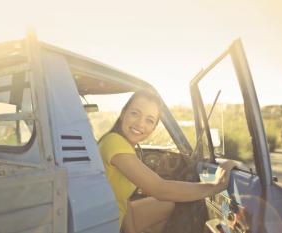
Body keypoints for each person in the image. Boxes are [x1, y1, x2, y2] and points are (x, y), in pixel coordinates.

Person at [98, 89, 237, 233]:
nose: (140, 124)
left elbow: (122, 200)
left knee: (167, 204)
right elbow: (159, 189)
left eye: (149, 120)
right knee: (166, 199)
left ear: (153, 128)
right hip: (104, 225)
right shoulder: (115, 143)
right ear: (123, 113)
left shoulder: (120, 144)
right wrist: (214, 187)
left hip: (110, 216)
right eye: (135, 113)